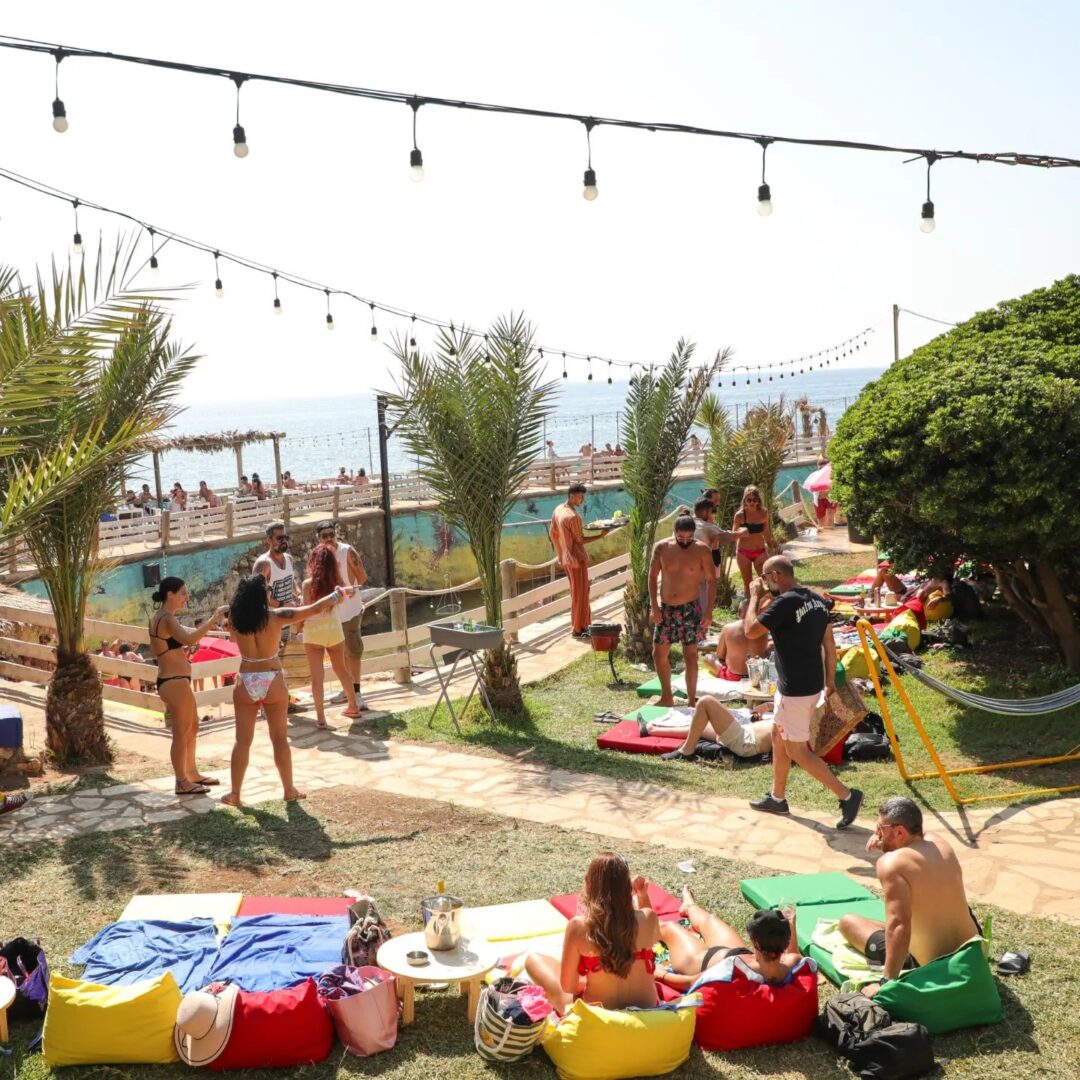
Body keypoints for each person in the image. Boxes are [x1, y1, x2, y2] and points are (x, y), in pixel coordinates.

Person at [745, 556, 863, 828]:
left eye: (764, 577)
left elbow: (750, 630)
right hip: (809, 683)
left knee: (797, 750)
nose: (764, 583)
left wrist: (754, 597)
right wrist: (829, 680)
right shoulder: (817, 600)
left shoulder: (784, 603)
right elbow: (829, 643)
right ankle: (777, 798)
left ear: (775, 575)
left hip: (794, 691)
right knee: (778, 735)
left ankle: (847, 796)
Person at [224, 573, 348, 807]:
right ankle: (289, 789)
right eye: (268, 590)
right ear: (262, 595)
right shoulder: (275, 617)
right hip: (272, 678)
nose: (270, 593)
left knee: (242, 741)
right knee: (279, 739)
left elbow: (232, 637)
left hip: (246, 678)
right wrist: (335, 595)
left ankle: (235, 794)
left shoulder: (235, 619)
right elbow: (311, 609)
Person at [839, 797, 983, 991]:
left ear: (900, 831)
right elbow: (916, 836)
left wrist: (886, 982)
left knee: (848, 922)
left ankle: (901, 968)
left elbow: (899, 925)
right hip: (973, 951)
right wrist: (885, 839)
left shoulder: (891, 864)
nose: (877, 834)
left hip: (933, 965)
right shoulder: (940, 843)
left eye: (880, 828)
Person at [525, 852, 660, 1014]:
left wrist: (590, 982)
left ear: (589, 884)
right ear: (627, 887)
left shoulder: (579, 926)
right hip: (648, 1014)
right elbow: (651, 932)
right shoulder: (649, 919)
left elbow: (569, 987)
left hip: (600, 1017)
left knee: (534, 960)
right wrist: (642, 895)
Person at [148, 577, 229, 795]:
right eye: (183, 593)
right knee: (181, 733)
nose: (187, 597)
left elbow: (166, 644)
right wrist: (214, 618)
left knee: (192, 727)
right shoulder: (166, 618)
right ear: (170, 595)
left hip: (176, 681)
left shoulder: (162, 617)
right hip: (174, 682)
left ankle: (191, 773)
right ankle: (181, 781)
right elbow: (190, 639)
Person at [655, 887, 802, 991]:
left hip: (701, 962)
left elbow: (689, 983)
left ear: (755, 942)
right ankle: (689, 906)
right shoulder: (791, 962)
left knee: (668, 928)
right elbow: (793, 954)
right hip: (738, 952)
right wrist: (791, 923)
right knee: (711, 920)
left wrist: (662, 975)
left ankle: (644, 915)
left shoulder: (732, 969)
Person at [649, 515, 714, 706]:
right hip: (667, 609)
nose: (685, 541)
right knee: (658, 653)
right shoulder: (662, 548)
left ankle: (692, 701)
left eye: (688, 538)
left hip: (690, 608)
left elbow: (711, 581)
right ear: (675, 532)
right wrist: (654, 606)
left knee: (690, 655)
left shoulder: (702, 549)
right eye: (681, 538)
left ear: (694, 534)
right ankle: (667, 697)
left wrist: (709, 611)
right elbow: (652, 577)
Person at [299, 543, 362, 726]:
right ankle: (353, 707)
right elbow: (339, 602)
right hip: (334, 630)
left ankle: (321, 718)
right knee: (342, 671)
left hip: (313, 633)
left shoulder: (307, 585)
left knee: (317, 678)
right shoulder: (337, 586)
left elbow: (307, 610)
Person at [314, 520, 369, 708]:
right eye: (325, 536)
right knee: (340, 652)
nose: (329, 538)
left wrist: (353, 589)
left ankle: (357, 692)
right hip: (332, 612)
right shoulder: (319, 555)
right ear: (318, 538)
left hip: (350, 610)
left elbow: (362, 577)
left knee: (353, 651)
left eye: (332, 534)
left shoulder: (347, 551)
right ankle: (348, 689)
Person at [550, 484, 609, 639]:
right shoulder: (573, 517)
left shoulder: (558, 509)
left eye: (583, 496)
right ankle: (579, 628)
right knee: (581, 594)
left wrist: (560, 554)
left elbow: (553, 533)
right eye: (580, 497)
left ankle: (579, 626)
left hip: (567, 559)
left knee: (576, 593)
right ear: (571, 496)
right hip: (577, 560)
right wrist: (601, 535)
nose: (582, 500)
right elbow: (580, 540)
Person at [651, 699, 774, 761]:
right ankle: (651, 730)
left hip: (746, 742)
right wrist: (768, 705)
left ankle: (687, 751)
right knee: (699, 727)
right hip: (746, 734)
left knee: (706, 702)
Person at [692, 497, 744, 614]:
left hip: (682, 574)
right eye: (711, 512)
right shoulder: (706, 526)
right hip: (700, 573)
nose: (712, 515)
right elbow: (729, 536)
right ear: (705, 512)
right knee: (702, 604)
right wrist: (743, 532)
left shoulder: (683, 523)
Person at [704, 598, 771, 681]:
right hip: (757, 676)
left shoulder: (728, 628)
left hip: (733, 676)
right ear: (756, 613)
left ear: (739, 613)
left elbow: (720, 656)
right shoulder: (763, 630)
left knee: (708, 657)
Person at [253, 521, 296, 649]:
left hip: (288, 622)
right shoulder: (263, 564)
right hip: (270, 624)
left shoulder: (289, 559)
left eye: (285, 537)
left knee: (288, 659)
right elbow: (258, 596)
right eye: (279, 538)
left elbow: (290, 579)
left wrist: (298, 594)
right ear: (269, 540)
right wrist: (283, 605)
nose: (284, 541)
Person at [733, 485, 772, 596]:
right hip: (743, 552)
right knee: (748, 583)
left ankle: (765, 603)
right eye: (749, 500)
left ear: (758, 500)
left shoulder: (764, 512)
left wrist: (771, 546)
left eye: (754, 500)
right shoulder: (740, 515)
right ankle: (750, 604)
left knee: (766, 580)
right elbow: (733, 534)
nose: (751, 502)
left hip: (760, 551)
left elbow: (766, 531)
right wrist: (740, 532)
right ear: (744, 500)